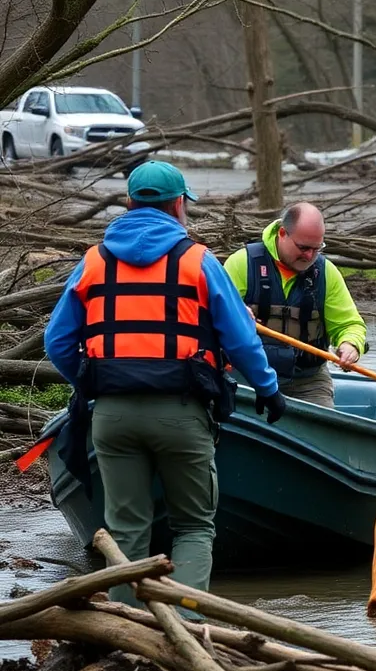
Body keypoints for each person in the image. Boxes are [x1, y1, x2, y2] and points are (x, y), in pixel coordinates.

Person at [44, 161, 286, 615]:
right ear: (179, 206)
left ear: (130, 203)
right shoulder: (198, 260)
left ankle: (127, 629)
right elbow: (240, 339)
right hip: (181, 411)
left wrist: (91, 380)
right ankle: (186, 630)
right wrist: (268, 390)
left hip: (112, 415)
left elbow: (56, 341)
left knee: (126, 528)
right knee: (193, 525)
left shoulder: (94, 261)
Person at [223, 202, 367, 407]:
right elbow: (212, 315)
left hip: (307, 382)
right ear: (282, 233)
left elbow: (349, 324)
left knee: (321, 428)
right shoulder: (242, 264)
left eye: (317, 249)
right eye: (303, 247)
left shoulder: (327, 273)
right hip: (247, 377)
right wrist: (234, 315)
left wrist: (350, 344)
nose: (309, 256)